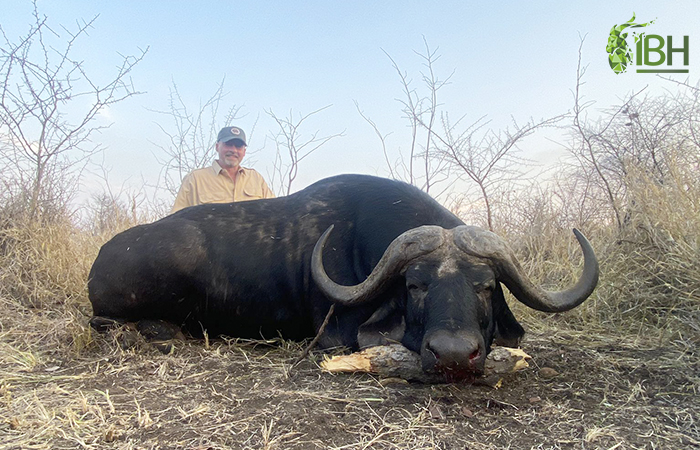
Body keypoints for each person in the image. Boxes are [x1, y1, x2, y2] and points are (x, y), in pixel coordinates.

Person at [170, 126, 275, 214]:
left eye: (238, 146)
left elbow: (274, 214)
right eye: (228, 144)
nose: (233, 150)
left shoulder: (256, 179)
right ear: (217, 147)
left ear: (244, 151)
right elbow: (176, 222)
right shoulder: (195, 179)